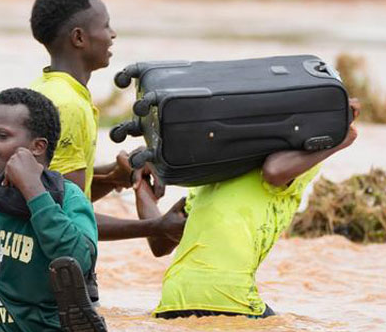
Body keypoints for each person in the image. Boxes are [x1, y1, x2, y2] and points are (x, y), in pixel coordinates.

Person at [135, 100, 360, 318]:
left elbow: (160, 242)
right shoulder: (292, 167)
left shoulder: (210, 172)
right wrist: (340, 139)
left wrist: (140, 187)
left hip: (174, 298)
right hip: (231, 297)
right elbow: (274, 171)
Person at [28, 0, 186, 249]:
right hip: (49, 268)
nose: (112, 35)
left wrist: (113, 177)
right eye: (106, 26)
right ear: (79, 38)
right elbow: (65, 219)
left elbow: (50, 193)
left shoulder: (45, 87)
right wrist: (154, 226)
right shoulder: (69, 105)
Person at [0, 88, 108, 332]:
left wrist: (33, 190)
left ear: (37, 147)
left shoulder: (68, 197)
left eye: (2, 136)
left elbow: (79, 260)